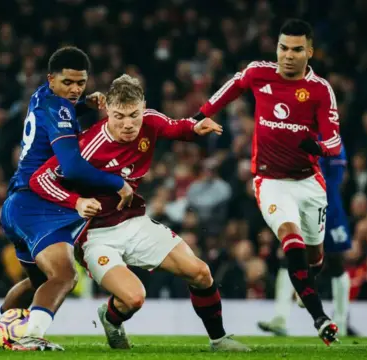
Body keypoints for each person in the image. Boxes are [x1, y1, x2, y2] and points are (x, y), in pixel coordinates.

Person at [29, 74, 250, 352]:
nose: (128, 124)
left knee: (201, 273)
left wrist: (195, 128)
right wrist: (75, 202)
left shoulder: (149, 120)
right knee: (134, 299)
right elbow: (39, 178)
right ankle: (110, 318)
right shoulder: (87, 146)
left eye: (134, 114)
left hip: (134, 222)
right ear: (107, 108)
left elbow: (173, 127)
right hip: (95, 236)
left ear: (142, 106)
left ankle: (219, 340)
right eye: (119, 116)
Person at [0, 46, 133, 351]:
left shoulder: (41, 96)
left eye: (81, 83)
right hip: (38, 203)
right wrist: (117, 183)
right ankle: (32, 336)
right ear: (52, 79)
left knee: (38, 282)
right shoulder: (59, 108)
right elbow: (71, 166)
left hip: (15, 206)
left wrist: (84, 104)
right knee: (64, 275)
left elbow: (59, 113)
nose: (75, 90)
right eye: (68, 83)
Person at [193, 19, 341, 345]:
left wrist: (316, 147)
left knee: (314, 257)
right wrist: (202, 113)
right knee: (291, 238)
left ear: (310, 52)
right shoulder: (259, 72)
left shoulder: (319, 90)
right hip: (270, 181)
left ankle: (307, 285)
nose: (288, 55)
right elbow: (233, 85)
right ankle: (321, 318)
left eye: (297, 49)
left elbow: (334, 143)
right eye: (283, 48)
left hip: (308, 181)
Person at [258, 144, 352, 336]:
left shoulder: (330, 138)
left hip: (328, 207)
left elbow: (335, 181)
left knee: (335, 263)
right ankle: (280, 317)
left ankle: (341, 321)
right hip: (295, 204)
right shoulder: (296, 130)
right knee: (290, 257)